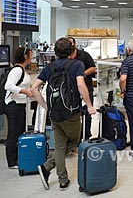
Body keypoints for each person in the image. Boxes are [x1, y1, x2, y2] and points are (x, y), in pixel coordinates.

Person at [32, 37, 96, 191]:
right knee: (74, 142)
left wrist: (45, 106)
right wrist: (89, 105)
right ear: (72, 52)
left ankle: (62, 179)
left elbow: (34, 88)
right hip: (71, 111)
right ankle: (48, 168)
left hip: (54, 112)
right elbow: (80, 84)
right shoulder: (77, 65)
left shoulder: (50, 67)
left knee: (60, 146)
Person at [4, 47, 34, 169]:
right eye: (30, 55)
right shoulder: (17, 70)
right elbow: (8, 86)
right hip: (13, 105)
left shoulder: (22, 70)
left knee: (19, 131)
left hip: (20, 105)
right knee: (13, 133)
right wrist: (25, 91)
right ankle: (12, 161)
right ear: (25, 56)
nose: (32, 57)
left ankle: (17, 157)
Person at [68, 37, 96, 141]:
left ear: (75, 44)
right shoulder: (65, 57)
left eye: (70, 43)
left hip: (86, 88)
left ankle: (86, 135)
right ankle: (75, 138)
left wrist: (82, 74)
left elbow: (93, 68)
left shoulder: (84, 55)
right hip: (70, 90)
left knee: (87, 114)